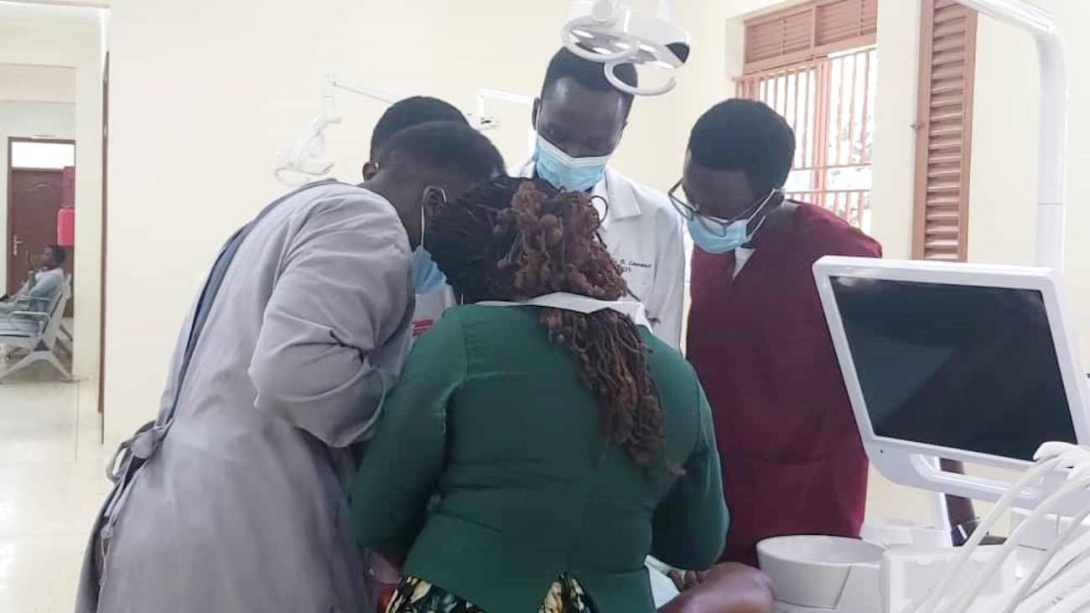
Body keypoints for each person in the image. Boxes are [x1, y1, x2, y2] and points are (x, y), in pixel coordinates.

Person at [76, 122, 506, 613]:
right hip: (244, 529)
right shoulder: (369, 224)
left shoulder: (295, 209)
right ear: (437, 203)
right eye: (471, 220)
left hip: (176, 507)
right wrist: (416, 420)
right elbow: (296, 371)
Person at [352, 178, 727, 612]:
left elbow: (376, 512)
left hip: (463, 591)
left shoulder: (461, 339)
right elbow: (698, 545)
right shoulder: (677, 376)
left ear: (478, 279)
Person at [675, 100, 882, 566]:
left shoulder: (843, 258)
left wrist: (960, 515)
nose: (703, 218)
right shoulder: (711, 250)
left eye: (720, 209)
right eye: (693, 199)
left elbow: (901, 383)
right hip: (718, 493)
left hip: (806, 504)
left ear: (772, 195)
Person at [522, 48, 685, 349]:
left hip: (618, 389)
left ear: (620, 134)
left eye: (596, 143)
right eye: (556, 134)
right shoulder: (485, 208)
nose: (572, 155)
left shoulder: (657, 220)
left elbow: (664, 347)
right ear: (535, 113)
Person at [361, 95, 470, 342]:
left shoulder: (469, 270)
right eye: (426, 197)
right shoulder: (334, 262)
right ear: (372, 175)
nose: (435, 212)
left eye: (449, 197)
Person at [0, 245, 66, 316]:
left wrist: (31, 277)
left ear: (54, 262)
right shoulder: (47, 272)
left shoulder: (53, 277)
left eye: (46, 255)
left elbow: (34, 293)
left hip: (27, 309)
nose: (42, 257)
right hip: (22, 304)